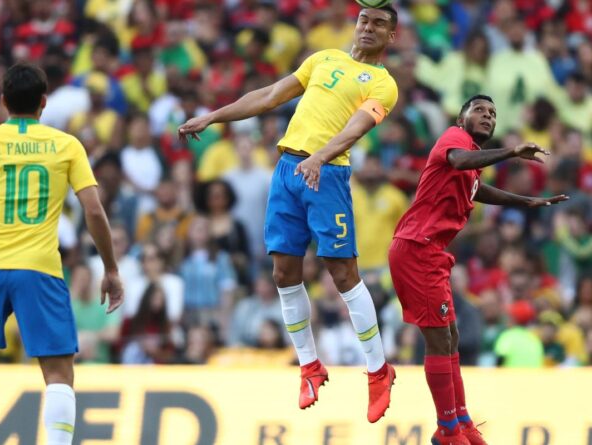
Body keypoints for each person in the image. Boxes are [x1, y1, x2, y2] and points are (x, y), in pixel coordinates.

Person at [179, 6, 399, 419]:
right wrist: (213, 117)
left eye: (379, 24)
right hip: (288, 170)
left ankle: (377, 371)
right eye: (364, 20)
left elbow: (355, 129)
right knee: (283, 272)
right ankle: (310, 366)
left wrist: (319, 157)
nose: (368, 28)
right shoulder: (323, 58)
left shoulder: (383, 84)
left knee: (342, 272)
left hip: (327, 174)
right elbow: (268, 96)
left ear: (392, 36)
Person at [0, 63, 124, 445]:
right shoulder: (67, 145)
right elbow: (94, 211)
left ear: (3, 101)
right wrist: (110, 268)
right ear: (44, 102)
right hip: (40, 268)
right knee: (58, 374)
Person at [388, 95, 569, 445]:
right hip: (416, 248)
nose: (488, 116)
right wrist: (511, 152)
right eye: (480, 110)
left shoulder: (470, 160)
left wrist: (526, 201)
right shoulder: (455, 139)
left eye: (493, 113)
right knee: (439, 340)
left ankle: (461, 420)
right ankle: (448, 430)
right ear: (462, 118)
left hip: (430, 251)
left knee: (451, 336)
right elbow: (458, 161)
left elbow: (476, 188)